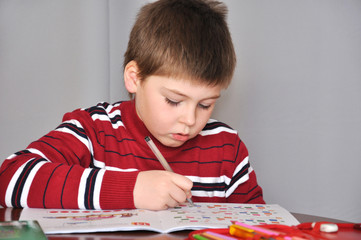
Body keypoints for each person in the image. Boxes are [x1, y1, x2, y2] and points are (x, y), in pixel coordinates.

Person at [0, 0, 264, 210]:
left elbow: (260, 225)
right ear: (134, 78)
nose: (190, 120)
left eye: (205, 105)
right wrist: (131, 189)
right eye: (173, 101)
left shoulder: (227, 147)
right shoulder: (94, 130)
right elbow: (9, 178)